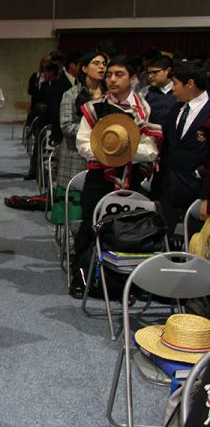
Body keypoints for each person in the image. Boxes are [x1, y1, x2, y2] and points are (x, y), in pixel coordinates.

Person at [69, 57, 162, 296]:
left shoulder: (145, 109)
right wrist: (108, 154)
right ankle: (81, 277)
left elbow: (150, 149)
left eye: (119, 74)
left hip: (132, 176)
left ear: (132, 78)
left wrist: (124, 154)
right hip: (100, 175)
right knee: (90, 225)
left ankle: (127, 282)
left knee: (129, 231)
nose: (111, 79)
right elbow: (83, 143)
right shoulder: (95, 107)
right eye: (109, 74)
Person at [154, 61, 210, 238]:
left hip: (197, 191)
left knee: (195, 248)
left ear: (190, 83)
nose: (172, 90)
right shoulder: (176, 109)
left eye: (176, 84)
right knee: (166, 245)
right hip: (169, 188)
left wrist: (207, 197)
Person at [56, 51, 106, 190]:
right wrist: (97, 130)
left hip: (103, 154)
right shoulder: (72, 94)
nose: (101, 67)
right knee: (76, 200)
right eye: (96, 63)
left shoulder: (109, 95)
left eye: (104, 64)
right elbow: (66, 126)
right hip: (75, 155)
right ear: (84, 68)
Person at [139, 55, 178, 126]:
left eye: (154, 72)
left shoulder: (178, 90)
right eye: (148, 73)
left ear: (168, 71)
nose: (150, 76)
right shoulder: (145, 91)